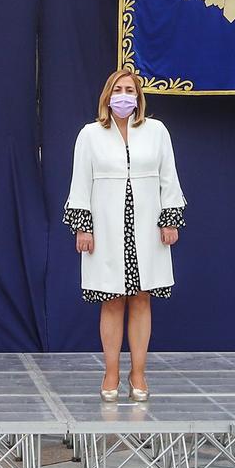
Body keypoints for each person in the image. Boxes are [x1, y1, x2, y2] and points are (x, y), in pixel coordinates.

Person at [64, 68, 186, 401]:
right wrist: (82, 226)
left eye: (130, 89)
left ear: (138, 96)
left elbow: (168, 177)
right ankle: (112, 372)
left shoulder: (156, 131)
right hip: (106, 227)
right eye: (118, 89)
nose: (124, 95)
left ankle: (139, 373)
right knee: (112, 300)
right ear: (107, 95)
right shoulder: (90, 135)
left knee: (142, 298)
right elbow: (80, 183)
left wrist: (170, 218)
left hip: (146, 227)